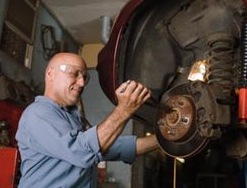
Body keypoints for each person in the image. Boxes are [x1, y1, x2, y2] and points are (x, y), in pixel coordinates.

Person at [15, 52, 159, 188]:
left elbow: (110, 147)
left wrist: (162, 139)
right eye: (74, 73)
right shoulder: (37, 113)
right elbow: (82, 152)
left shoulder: (74, 119)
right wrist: (124, 110)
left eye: (85, 77)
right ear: (50, 74)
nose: (82, 83)